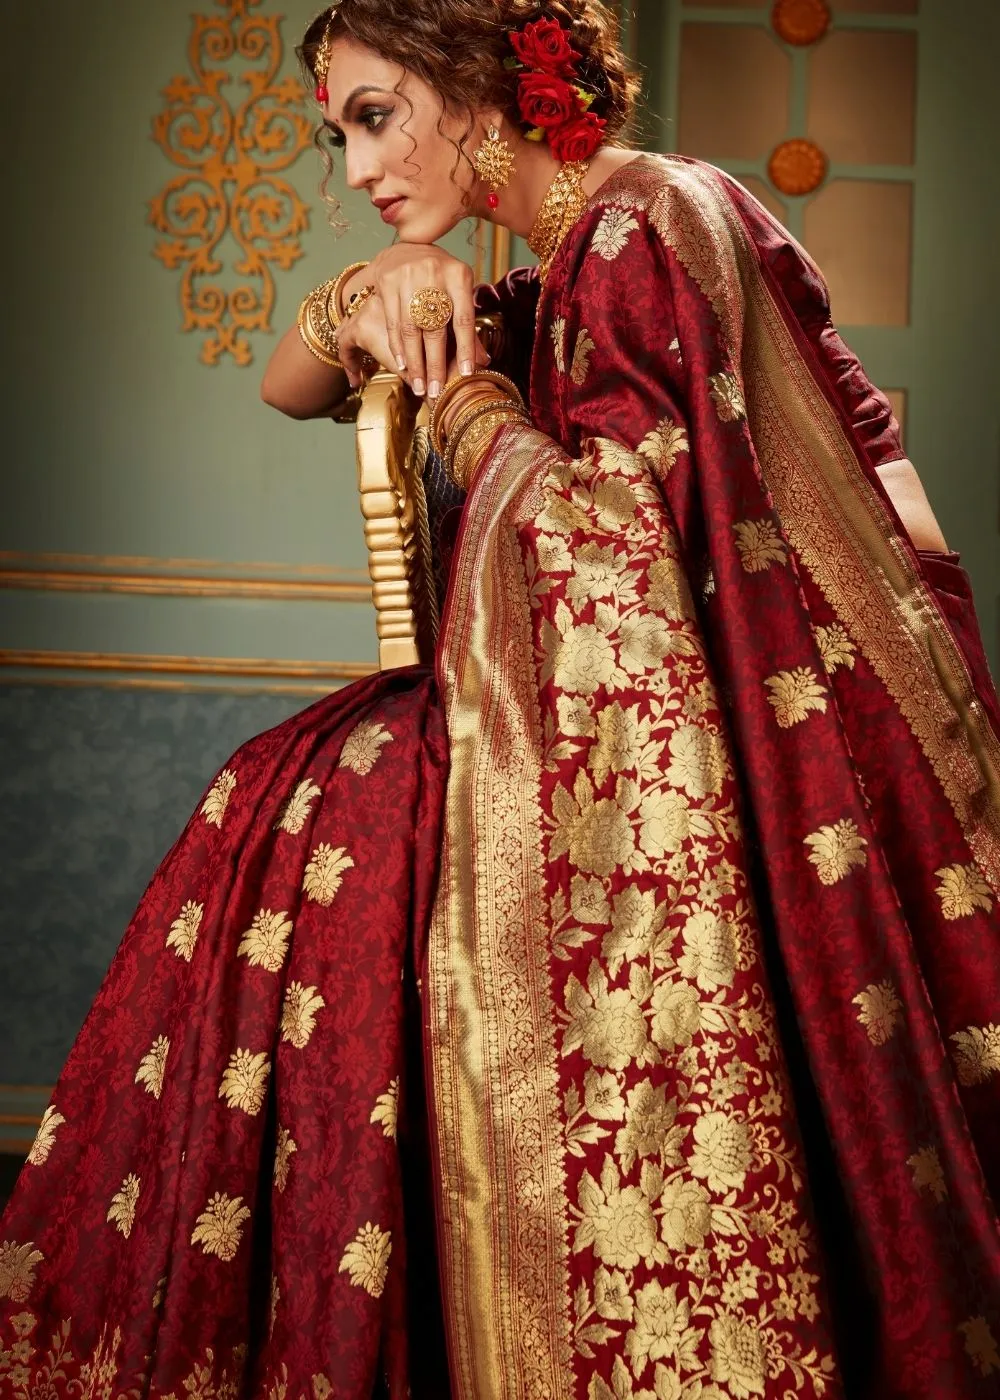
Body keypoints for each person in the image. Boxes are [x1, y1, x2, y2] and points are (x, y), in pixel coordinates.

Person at [2, 2, 998, 1397]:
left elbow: (615, 558)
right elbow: (284, 389)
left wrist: (468, 403)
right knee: (291, 793)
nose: (352, 167)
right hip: (643, 723)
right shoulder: (564, 253)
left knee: (311, 813)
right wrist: (370, 286)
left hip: (731, 757)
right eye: (334, 133)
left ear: (480, 86)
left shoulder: (644, 225)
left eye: (374, 116)